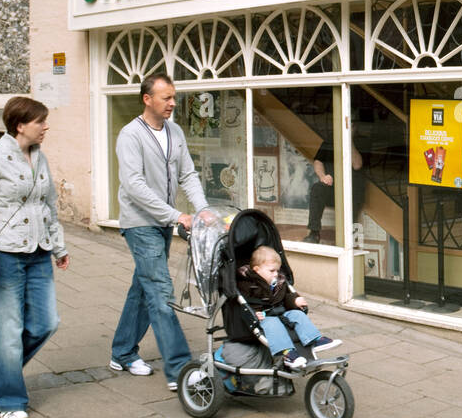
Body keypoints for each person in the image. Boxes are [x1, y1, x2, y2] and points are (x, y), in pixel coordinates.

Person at [0, 96, 70, 418]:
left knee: (46, 323)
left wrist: (59, 247)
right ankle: (6, 398)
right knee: (8, 331)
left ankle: (2, 374)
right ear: (20, 124)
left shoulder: (40, 157)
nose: (46, 127)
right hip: (5, 255)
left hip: (38, 252)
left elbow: (49, 206)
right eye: (41, 121)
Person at [110, 73, 211, 392]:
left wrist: (203, 208)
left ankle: (122, 352)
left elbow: (188, 174)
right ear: (147, 99)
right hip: (140, 222)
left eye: (173, 97)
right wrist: (177, 214)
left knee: (143, 286)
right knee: (159, 291)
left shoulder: (175, 131)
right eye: (166, 97)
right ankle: (179, 369)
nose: (172, 103)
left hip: (163, 222)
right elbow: (134, 186)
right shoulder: (130, 135)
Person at [236, 246, 341, 368]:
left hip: (281, 312)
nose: (276, 274)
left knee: (297, 315)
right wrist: (254, 313)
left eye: (277, 270)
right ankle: (287, 354)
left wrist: (294, 300)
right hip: (264, 317)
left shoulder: (278, 282)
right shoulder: (247, 284)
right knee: (273, 323)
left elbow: (285, 297)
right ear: (257, 270)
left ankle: (315, 340)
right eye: (272, 271)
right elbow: (244, 302)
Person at [306, 136, 364, 244]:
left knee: (351, 209)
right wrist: (323, 176)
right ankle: (314, 233)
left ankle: (349, 242)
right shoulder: (330, 141)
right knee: (317, 188)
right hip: (332, 189)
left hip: (351, 191)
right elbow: (318, 161)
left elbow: (357, 165)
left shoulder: (361, 141)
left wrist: (349, 139)